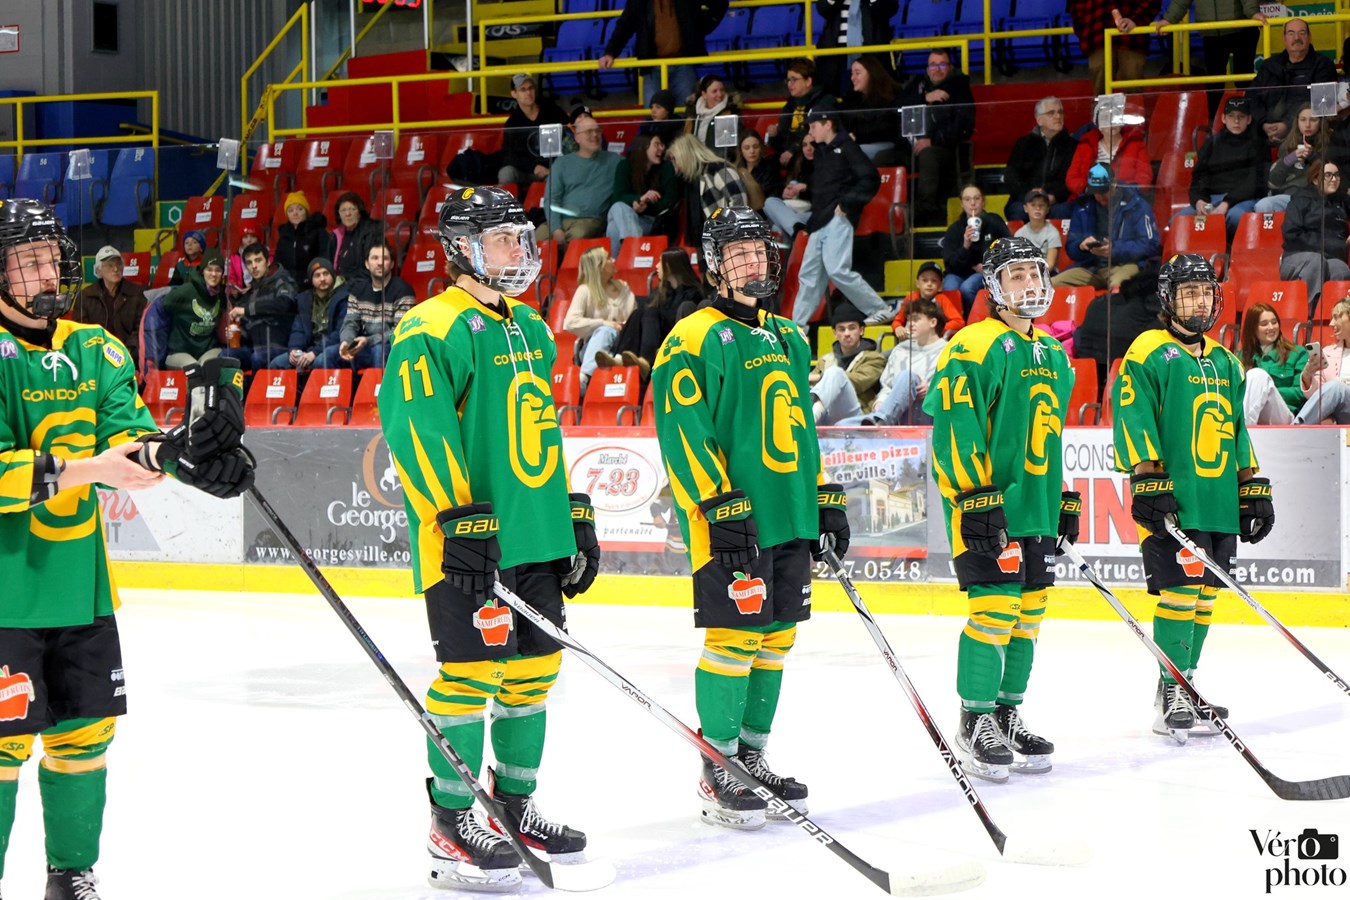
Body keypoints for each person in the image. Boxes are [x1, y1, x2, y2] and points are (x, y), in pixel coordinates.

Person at [0, 197, 254, 900]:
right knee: (0, 751)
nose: (49, 269)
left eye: (54, 255)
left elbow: (130, 441)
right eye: (31, 258)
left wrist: (187, 455)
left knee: (84, 741)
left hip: (81, 591)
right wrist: (91, 469)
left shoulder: (97, 347)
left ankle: (71, 877)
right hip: (6, 594)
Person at [377, 185, 600, 892]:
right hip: (470, 541)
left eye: (520, 238)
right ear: (463, 249)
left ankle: (511, 806)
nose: (520, 250)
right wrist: (456, 519)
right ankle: (450, 823)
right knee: (470, 677)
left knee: (533, 675)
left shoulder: (532, 326)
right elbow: (417, 429)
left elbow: (538, 426)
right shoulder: (430, 326)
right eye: (504, 239)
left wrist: (571, 513)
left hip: (534, 535)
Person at [651, 206, 850, 829]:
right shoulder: (692, 336)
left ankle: (753, 758)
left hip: (789, 515)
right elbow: (684, 431)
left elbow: (801, 429)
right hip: (732, 519)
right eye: (736, 253)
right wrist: (717, 505)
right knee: (735, 639)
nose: (752, 262)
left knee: (775, 639)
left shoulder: (789, 335)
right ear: (713, 265)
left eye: (758, 251)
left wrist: (823, 497)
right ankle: (719, 768)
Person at [924, 236, 1077, 783]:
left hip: (1035, 505)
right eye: (1016, 276)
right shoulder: (972, 344)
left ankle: (1007, 715)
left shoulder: (1054, 353)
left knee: (1028, 618)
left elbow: (1051, 435)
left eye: (1036, 274)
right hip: (986, 506)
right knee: (994, 613)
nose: (1031, 285)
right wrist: (973, 497)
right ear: (992, 285)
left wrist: (1061, 498)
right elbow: (956, 428)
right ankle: (975, 720)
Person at [1111, 254, 1270, 742]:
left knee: (1204, 598)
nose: (1199, 301)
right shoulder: (1148, 351)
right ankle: (1170, 692)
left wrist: (1252, 486)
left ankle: (1188, 686)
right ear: (1168, 298)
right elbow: (1133, 417)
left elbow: (1236, 430)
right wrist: (1147, 478)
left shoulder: (1225, 360)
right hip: (1174, 496)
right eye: (1188, 292)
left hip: (1218, 497)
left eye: (1205, 292)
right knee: (1179, 595)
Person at [761, 111, 892, 328]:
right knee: (809, 274)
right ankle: (798, 326)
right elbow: (828, 187)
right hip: (820, 219)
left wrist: (848, 203)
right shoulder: (824, 152)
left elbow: (870, 178)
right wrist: (807, 188)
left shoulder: (847, 147)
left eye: (813, 127)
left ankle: (879, 308)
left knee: (837, 269)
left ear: (827, 124)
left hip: (838, 217)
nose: (810, 133)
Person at [597, 0, 730, 107]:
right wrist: (610, 52)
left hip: (683, 63)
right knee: (653, 116)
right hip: (651, 65)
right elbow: (625, 25)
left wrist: (700, 29)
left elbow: (719, 3)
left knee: (686, 113)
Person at [898, 48, 977, 227]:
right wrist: (924, 98)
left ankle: (925, 209)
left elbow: (964, 126)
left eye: (942, 64)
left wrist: (932, 141)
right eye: (933, 65)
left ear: (950, 67)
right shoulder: (918, 84)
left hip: (945, 151)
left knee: (929, 154)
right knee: (884, 157)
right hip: (911, 148)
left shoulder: (959, 88)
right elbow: (897, 104)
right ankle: (888, 211)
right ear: (927, 69)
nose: (937, 69)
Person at [1053, 163, 1162, 291]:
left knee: (1118, 287)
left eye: (1104, 191)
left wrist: (1114, 249)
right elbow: (1071, 246)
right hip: (1092, 267)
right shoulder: (1083, 205)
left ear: (1114, 183)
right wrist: (1080, 246)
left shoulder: (1136, 205)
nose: (1100, 197)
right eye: (1095, 192)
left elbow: (1151, 245)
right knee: (1051, 285)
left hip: (1125, 265)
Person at [1154, 0, 1266, 120]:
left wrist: (1253, 13)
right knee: (1214, 83)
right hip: (1212, 34)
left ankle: (1251, 120)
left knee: (1243, 79)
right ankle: (1213, 124)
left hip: (1243, 29)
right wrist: (1169, 19)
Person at [1176, 96, 1267, 238]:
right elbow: (1199, 177)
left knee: (1235, 218)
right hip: (1212, 199)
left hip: (1243, 199)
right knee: (1178, 221)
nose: (1236, 121)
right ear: (1224, 118)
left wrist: (1227, 202)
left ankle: (1231, 256)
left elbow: (1254, 183)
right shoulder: (1211, 143)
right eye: (1231, 116)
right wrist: (1199, 200)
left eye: (1241, 116)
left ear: (1249, 119)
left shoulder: (1258, 144)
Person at [854, 297, 946, 426]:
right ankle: (880, 421)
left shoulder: (948, 351)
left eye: (916, 319)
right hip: (894, 415)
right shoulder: (899, 350)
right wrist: (879, 404)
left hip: (928, 414)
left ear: (933, 322)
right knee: (841, 425)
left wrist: (931, 391)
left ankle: (880, 423)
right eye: (908, 320)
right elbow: (887, 387)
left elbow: (953, 392)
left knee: (907, 377)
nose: (909, 324)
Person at [1245, 18, 1337, 145]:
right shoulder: (1270, 65)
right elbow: (1252, 96)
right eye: (1291, 33)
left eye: (1302, 33)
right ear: (1284, 38)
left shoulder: (1323, 65)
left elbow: (1322, 106)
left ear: (1309, 37)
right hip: (1264, 132)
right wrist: (1263, 123)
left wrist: (1287, 125)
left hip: (1305, 135)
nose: (1296, 38)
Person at [329, 242, 416, 370]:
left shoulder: (404, 290)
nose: (380, 263)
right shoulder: (357, 291)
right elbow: (350, 324)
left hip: (392, 348)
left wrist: (368, 340)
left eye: (385, 258)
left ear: (392, 264)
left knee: (379, 351)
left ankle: (380, 390)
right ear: (367, 264)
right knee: (327, 356)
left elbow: (400, 331)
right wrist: (346, 342)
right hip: (364, 347)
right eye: (375, 258)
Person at [1278, 161, 1350, 313]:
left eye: (1337, 175)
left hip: (1330, 257)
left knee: (1341, 268)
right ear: (1315, 179)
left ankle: (1334, 318)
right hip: (1296, 258)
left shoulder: (1341, 201)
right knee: (1317, 262)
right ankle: (1306, 314)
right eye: (1328, 175)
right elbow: (1291, 234)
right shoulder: (1300, 200)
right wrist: (1337, 245)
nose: (1334, 179)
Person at [539, 112, 621, 243]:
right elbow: (551, 199)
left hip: (590, 220)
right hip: (560, 221)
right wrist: (556, 229)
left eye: (597, 131)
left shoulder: (615, 161)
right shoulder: (562, 163)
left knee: (577, 237)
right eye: (589, 132)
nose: (595, 135)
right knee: (533, 240)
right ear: (577, 138)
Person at [564, 247, 637, 391]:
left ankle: (586, 378)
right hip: (593, 347)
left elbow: (633, 319)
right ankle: (587, 377)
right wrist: (603, 323)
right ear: (599, 266)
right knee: (605, 331)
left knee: (610, 331)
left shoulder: (623, 288)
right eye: (608, 258)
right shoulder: (585, 290)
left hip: (622, 343)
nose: (613, 260)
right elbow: (570, 322)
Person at [807, 299, 886, 424]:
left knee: (835, 373)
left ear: (861, 330)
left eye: (852, 328)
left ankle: (807, 421)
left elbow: (858, 382)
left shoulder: (874, 358)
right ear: (835, 333)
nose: (847, 333)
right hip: (826, 414)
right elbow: (813, 387)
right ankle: (809, 419)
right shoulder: (825, 360)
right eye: (841, 329)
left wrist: (819, 377)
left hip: (855, 414)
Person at [221, 244, 297, 371]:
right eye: (249, 263)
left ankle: (254, 391)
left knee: (257, 358)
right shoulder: (251, 292)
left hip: (280, 346)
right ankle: (231, 391)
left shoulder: (282, 280)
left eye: (258, 260)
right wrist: (238, 333)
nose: (254, 266)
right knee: (226, 355)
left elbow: (284, 304)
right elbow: (249, 328)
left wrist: (246, 310)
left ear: (267, 262)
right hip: (255, 347)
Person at [71, 245, 148, 373]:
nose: (116, 269)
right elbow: (81, 331)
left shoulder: (137, 293)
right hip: (96, 356)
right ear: (99, 270)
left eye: (119, 264)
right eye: (110, 265)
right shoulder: (86, 296)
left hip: (128, 355)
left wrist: (125, 352)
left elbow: (139, 329)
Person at [667, 135, 752, 246]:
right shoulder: (694, 179)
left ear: (685, 156)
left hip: (727, 240)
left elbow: (739, 200)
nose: (676, 165)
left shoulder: (716, 169)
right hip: (708, 242)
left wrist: (726, 231)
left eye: (675, 159)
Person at [1003, 97, 1078, 222]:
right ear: (1039, 120)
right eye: (1051, 113)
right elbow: (1011, 177)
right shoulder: (1023, 144)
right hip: (1026, 200)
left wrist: (1054, 196)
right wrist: (1028, 196)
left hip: (1057, 202)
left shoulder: (1073, 146)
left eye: (1060, 112)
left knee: (1063, 211)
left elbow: (1071, 179)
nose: (1058, 116)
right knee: (1017, 211)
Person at [942, 184, 1012, 314]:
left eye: (976, 198)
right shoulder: (954, 229)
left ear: (983, 201)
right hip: (960, 273)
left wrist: (989, 266)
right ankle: (956, 324)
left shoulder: (994, 221)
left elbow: (1009, 247)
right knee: (950, 286)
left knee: (967, 288)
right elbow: (950, 265)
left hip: (988, 272)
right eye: (967, 199)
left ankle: (981, 318)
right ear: (962, 204)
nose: (972, 203)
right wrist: (965, 246)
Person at [606, 133, 680, 254]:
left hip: (652, 220)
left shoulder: (666, 168)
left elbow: (670, 201)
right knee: (618, 208)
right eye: (656, 144)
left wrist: (646, 206)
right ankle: (635, 254)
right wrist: (638, 200)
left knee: (614, 227)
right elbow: (618, 197)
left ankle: (622, 263)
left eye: (662, 144)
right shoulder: (625, 166)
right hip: (627, 217)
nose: (661, 148)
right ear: (642, 147)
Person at [1237, 302, 1309, 424]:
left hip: (1285, 417)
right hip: (1256, 416)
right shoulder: (1243, 357)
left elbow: (1300, 393)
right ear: (1253, 329)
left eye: (1274, 322)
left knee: (1257, 375)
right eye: (1264, 324)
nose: (1271, 327)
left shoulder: (1297, 353)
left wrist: (1267, 391)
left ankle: (1243, 433)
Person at [497, 74, 571, 190]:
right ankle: (508, 207)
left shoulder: (552, 110)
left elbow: (570, 135)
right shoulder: (513, 123)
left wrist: (557, 167)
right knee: (506, 173)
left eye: (530, 88)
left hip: (557, 170)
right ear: (514, 94)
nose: (528, 93)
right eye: (523, 89)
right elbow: (508, 156)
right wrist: (533, 167)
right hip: (529, 173)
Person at [1065, 100, 1152, 196]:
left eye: (1115, 117)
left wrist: (1123, 192)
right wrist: (1088, 189)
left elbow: (1144, 177)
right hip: (1091, 199)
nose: (1112, 122)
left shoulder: (1136, 144)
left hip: (1126, 200)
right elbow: (1071, 178)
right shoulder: (1085, 145)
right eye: (1106, 118)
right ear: (1099, 125)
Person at [766, 59, 836, 177]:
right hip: (789, 154)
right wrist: (774, 136)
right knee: (765, 164)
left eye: (794, 79)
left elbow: (815, 137)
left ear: (808, 81)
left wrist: (793, 150)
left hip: (812, 154)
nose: (789, 84)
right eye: (788, 80)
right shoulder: (790, 105)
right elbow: (780, 142)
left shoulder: (824, 102)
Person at [276, 257, 348, 371]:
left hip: (334, 348)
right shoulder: (305, 300)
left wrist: (315, 352)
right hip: (311, 349)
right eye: (317, 275)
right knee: (277, 364)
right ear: (311, 279)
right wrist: (294, 350)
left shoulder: (344, 297)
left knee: (320, 361)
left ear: (333, 275)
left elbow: (339, 333)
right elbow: (298, 330)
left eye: (326, 273)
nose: (322, 279)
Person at [814, 0, 900, 95]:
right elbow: (822, 8)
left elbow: (888, 9)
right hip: (836, 54)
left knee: (875, 94)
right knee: (834, 92)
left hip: (871, 53)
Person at [1067, 0, 1153, 94]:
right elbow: (1076, 6)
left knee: (1132, 81)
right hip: (1097, 35)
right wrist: (1084, 30)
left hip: (1132, 35)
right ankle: (1102, 108)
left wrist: (1136, 20)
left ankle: (1134, 107)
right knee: (1101, 89)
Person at [162, 251, 228, 369]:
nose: (213, 274)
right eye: (209, 269)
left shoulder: (221, 294)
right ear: (202, 271)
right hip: (180, 351)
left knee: (209, 368)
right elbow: (164, 305)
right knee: (194, 370)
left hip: (208, 349)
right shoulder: (187, 290)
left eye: (218, 270)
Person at [1257, 103, 1327, 213]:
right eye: (1303, 120)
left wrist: (1313, 156)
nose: (1307, 125)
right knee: (1263, 205)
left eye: (1313, 120)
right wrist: (1291, 158)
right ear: (1297, 122)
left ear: (1321, 122)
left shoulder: (1328, 145)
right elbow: (1274, 180)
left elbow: (1331, 176)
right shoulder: (1287, 145)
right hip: (1290, 197)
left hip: (1317, 199)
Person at [838, 55, 904, 164]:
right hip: (858, 144)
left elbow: (887, 129)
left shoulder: (892, 96)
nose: (852, 78)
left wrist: (856, 136)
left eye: (857, 73)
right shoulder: (851, 100)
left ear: (872, 73)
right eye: (852, 73)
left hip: (886, 146)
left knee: (846, 154)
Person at [1295, 297, 1350, 422]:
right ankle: (1297, 428)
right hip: (1339, 414)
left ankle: (1296, 428)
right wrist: (1308, 376)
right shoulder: (1328, 352)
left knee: (1336, 387)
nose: (1331, 323)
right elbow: (1318, 397)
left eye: (1337, 317)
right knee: (1334, 388)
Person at [272, 190, 332, 289]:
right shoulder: (284, 236)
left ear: (306, 211)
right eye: (290, 210)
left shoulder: (317, 232)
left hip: (311, 284)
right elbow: (278, 263)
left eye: (300, 209)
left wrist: (311, 278)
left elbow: (324, 258)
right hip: (287, 284)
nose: (295, 213)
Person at [892, 261, 965, 338]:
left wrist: (937, 329)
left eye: (934, 281)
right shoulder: (910, 298)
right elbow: (897, 320)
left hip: (935, 342)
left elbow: (959, 322)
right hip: (911, 342)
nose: (929, 284)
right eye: (925, 280)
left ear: (940, 285)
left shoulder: (942, 299)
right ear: (917, 283)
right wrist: (898, 327)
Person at [331, 192, 385, 287]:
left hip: (364, 286)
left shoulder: (371, 232)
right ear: (338, 214)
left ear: (360, 212)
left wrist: (346, 283)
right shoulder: (337, 235)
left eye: (352, 209)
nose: (348, 214)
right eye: (343, 210)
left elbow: (373, 269)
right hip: (342, 285)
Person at [684, 75, 739, 158]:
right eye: (714, 91)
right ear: (704, 94)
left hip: (717, 161)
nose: (720, 94)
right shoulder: (692, 112)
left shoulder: (728, 113)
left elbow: (726, 150)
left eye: (722, 90)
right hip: (694, 160)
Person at [733, 130, 783, 212]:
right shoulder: (736, 170)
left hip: (767, 212)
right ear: (740, 151)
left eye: (755, 147)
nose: (752, 151)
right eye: (747, 148)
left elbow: (769, 196)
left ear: (761, 148)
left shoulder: (770, 166)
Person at [1015, 190, 1063, 269]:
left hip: (1048, 275)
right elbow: (1018, 262)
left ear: (1047, 209)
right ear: (1025, 208)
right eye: (1033, 205)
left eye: (1042, 205)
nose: (1037, 208)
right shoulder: (1019, 234)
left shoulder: (1053, 233)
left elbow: (1050, 265)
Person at [225, 225, 263, 297]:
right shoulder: (234, 258)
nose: (249, 240)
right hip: (242, 295)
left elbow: (267, 276)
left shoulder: (265, 255)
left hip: (260, 291)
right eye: (245, 237)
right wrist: (234, 290)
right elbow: (231, 278)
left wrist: (252, 287)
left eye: (253, 236)